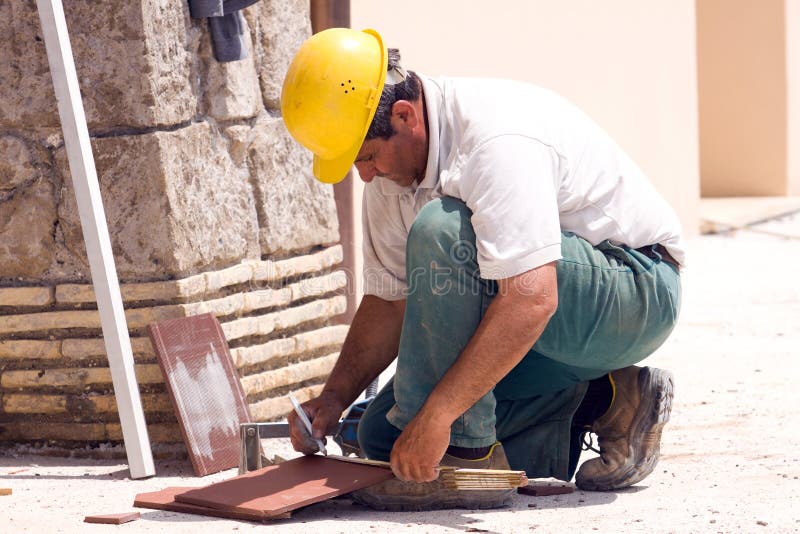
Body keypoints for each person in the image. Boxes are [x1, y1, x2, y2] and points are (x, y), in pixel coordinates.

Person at [280, 28, 684, 510]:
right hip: (551, 324)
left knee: (444, 231)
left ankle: (470, 458)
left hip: (633, 294)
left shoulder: (495, 140)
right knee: (384, 439)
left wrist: (440, 417)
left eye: (367, 157)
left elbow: (532, 298)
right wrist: (334, 398)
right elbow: (389, 302)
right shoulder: (390, 176)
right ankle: (610, 400)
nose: (365, 175)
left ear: (404, 115)